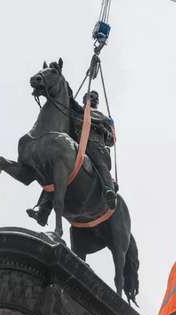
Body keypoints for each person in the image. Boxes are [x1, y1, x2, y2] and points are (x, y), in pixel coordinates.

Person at [26, 90, 117, 225]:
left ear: (97, 102)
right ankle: (43, 211)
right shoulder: (79, 113)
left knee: (99, 164)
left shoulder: (104, 118)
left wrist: (102, 129)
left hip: (95, 147)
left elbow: (111, 140)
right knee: (55, 174)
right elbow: (69, 104)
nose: (91, 99)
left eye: (93, 98)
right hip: (77, 147)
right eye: (88, 97)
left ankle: (108, 190)